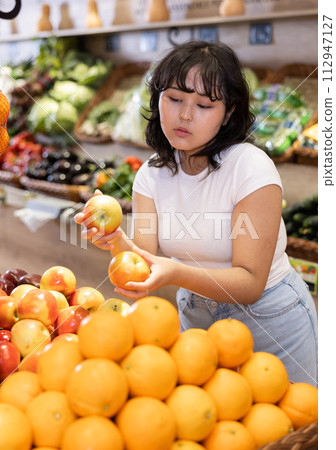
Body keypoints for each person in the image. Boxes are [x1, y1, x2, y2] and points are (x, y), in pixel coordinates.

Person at [75, 41, 318, 386]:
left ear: (229, 113)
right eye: (174, 99)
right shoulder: (150, 175)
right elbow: (143, 260)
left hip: (270, 321)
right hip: (197, 316)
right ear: (157, 98)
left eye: (204, 105)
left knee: (293, 430)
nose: (185, 115)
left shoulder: (250, 168)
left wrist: (176, 272)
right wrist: (115, 241)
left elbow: (249, 283)